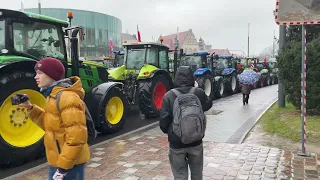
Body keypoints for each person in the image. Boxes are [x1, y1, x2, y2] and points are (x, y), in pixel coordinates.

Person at [18, 57, 90, 180]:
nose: (36, 77)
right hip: (60, 161)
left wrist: (63, 168)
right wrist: (30, 108)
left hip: (70, 164)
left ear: (52, 75)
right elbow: (50, 126)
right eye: (36, 73)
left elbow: (77, 137)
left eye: (40, 73)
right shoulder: (52, 95)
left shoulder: (67, 98)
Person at [160, 66, 213, 180]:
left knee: (180, 175)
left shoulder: (168, 96)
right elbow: (209, 104)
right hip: (196, 141)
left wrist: (174, 130)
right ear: (191, 78)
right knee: (197, 174)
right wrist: (198, 89)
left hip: (176, 143)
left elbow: (163, 125)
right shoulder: (198, 92)